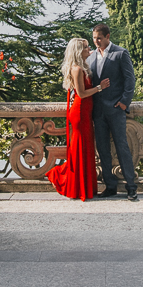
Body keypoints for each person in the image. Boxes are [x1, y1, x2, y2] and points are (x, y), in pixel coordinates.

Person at [47, 37, 110, 201]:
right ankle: (65, 179)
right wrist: (99, 88)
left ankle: (83, 187)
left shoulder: (83, 67)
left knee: (85, 148)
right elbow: (81, 94)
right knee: (80, 149)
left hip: (85, 113)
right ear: (78, 51)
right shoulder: (77, 69)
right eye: (86, 48)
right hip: (80, 113)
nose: (89, 50)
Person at [88, 23, 139, 201]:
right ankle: (110, 186)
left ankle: (131, 187)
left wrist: (124, 103)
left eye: (99, 38)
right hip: (98, 111)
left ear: (108, 37)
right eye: (94, 38)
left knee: (122, 147)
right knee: (102, 149)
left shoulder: (120, 53)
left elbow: (130, 80)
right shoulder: (91, 57)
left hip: (116, 109)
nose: (96, 42)